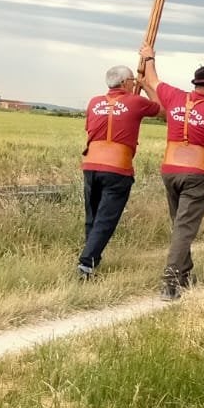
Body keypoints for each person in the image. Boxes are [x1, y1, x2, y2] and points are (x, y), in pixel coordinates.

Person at [139, 47, 204, 300]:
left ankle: (184, 274)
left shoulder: (174, 97)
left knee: (180, 225)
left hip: (170, 172)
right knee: (184, 228)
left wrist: (149, 56)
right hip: (198, 175)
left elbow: (152, 80)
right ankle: (171, 283)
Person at [76, 65, 161, 280]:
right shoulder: (136, 101)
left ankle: (91, 259)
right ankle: (86, 264)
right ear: (125, 83)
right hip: (117, 168)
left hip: (91, 165)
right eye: (132, 80)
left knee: (93, 218)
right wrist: (147, 87)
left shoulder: (94, 102)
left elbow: (91, 130)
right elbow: (162, 110)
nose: (133, 83)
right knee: (106, 218)